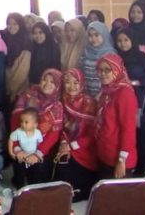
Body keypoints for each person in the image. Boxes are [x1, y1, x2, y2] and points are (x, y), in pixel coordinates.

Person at [113, 29, 145, 176]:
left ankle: (144, 165)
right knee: (128, 131)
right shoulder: (117, 58)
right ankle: (130, 162)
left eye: (126, 40)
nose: (123, 44)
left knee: (142, 131)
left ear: (132, 40)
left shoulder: (141, 57)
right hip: (124, 100)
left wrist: (135, 82)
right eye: (119, 41)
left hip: (141, 99)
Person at [10, 69, 65, 188]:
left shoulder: (57, 106)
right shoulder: (27, 95)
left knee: (37, 182)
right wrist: (18, 148)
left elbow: (53, 135)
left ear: (58, 85)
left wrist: (38, 154)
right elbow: (15, 122)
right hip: (22, 143)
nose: (47, 84)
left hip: (42, 148)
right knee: (19, 180)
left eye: (52, 82)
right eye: (44, 79)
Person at [55, 69, 99, 202]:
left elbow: (93, 134)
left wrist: (72, 146)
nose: (72, 86)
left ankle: (80, 191)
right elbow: (61, 126)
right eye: (68, 82)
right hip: (67, 142)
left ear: (82, 84)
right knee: (61, 162)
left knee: (69, 165)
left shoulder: (89, 103)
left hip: (86, 147)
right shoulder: (62, 100)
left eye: (76, 82)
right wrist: (64, 143)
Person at [94, 53, 138, 179]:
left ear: (117, 69)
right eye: (100, 70)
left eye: (108, 69)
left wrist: (122, 160)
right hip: (105, 153)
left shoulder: (125, 93)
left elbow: (128, 129)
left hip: (119, 160)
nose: (103, 73)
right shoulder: (106, 91)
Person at [9, 108, 44, 188]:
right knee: (19, 172)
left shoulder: (38, 133)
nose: (23, 124)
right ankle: (19, 186)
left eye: (26, 122)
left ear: (35, 125)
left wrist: (38, 154)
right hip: (22, 156)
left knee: (34, 173)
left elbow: (40, 143)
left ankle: (31, 186)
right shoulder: (18, 131)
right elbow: (11, 139)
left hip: (32, 155)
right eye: (21, 121)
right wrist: (11, 152)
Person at [3, 12, 32, 104]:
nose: (11, 26)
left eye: (15, 24)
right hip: (6, 87)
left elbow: (22, 71)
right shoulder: (5, 38)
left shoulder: (25, 41)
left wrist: (13, 90)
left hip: (19, 89)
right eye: (9, 24)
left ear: (21, 25)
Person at [83, 21, 116, 97]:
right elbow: (82, 72)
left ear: (104, 35)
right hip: (87, 94)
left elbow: (114, 77)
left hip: (105, 94)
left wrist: (102, 93)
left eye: (96, 35)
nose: (93, 38)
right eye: (90, 35)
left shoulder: (111, 55)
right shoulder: (86, 52)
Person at [28, 21, 62, 90]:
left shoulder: (53, 48)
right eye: (35, 33)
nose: (37, 36)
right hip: (33, 84)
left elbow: (55, 68)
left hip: (49, 84)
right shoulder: (32, 47)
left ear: (46, 33)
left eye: (40, 32)